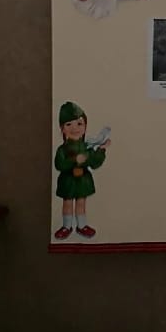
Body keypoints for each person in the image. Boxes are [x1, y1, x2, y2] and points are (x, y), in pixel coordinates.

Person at [54, 101, 110, 240]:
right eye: (69, 124)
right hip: (68, 181)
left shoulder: (87, 147)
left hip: (83, 181)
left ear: (85, 126)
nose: (75, 128)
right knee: (67, 203)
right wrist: (74, 160)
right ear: (62, 128)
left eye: (79, 124)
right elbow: (59, 164)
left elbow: (94, 162)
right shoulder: (62, 149)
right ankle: (66, 226)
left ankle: (82, 226)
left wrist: (101, 150)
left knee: (81, 203)